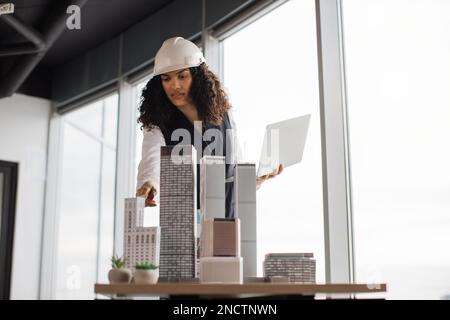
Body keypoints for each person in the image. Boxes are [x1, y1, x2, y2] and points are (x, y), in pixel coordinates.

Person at [135, 36, 282, 217]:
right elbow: (152, 158)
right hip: (183, 226)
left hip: (227, 222)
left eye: (182, 76)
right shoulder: (157, 123)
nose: (174, 85)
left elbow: (235, 167)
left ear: (197, 77)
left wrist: (257, 178)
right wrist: (150, 182)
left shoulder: (224, 115)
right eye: (166, 79)